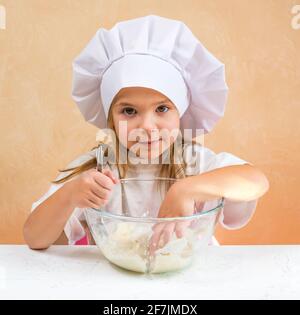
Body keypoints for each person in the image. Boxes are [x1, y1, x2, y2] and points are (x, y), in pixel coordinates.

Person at [24, 15, 269, 251]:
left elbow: (256, 181)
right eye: (129, 111)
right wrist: (69, 195)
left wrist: (186, 190)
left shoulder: (194, 162)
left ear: (180, 113)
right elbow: (35, 238)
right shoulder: (97, 170)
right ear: (110, 118)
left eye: (162, 108)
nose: (148, 127)